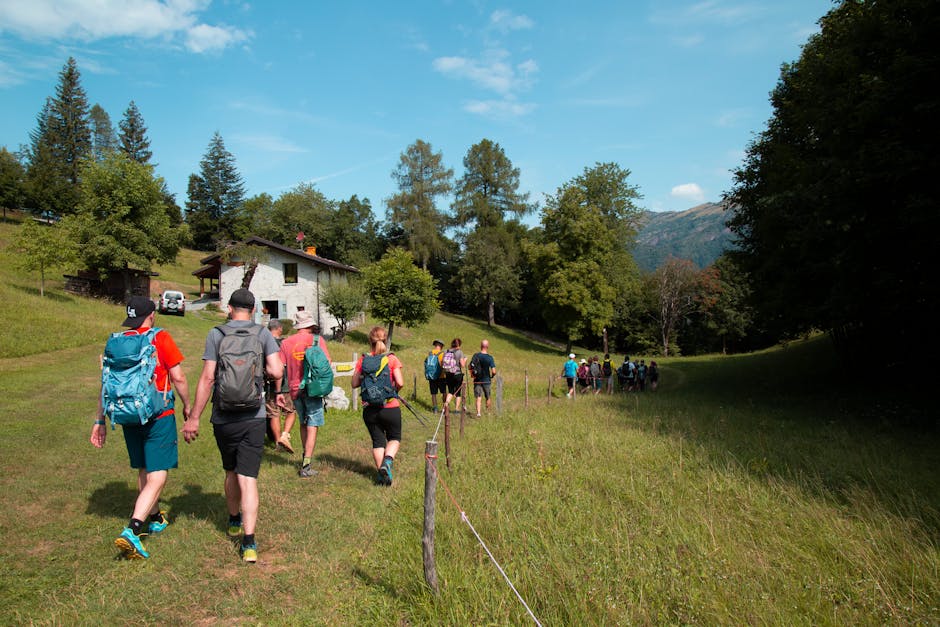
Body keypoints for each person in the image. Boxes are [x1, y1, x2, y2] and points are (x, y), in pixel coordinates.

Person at [184, 288, 283, 563]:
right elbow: (276, 371)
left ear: (230, 308)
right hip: (254, 415)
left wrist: (194, 418)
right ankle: (249, 543)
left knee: (230, 471)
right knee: (248, 477)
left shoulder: (217, 334)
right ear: (253, 310)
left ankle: (233, 519)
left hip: (223, 416)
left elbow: (207, 379)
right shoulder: (262, 334)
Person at [91, 295, 193, 560]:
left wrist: (100, 420)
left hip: (127, 414)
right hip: (158, 414)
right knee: (158, 475)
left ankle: (156, 517)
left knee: (144, 468)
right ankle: (133, 530)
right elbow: (178, 376)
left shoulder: (117, 341)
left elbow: (107, 382)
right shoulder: (160, 337)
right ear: (152, 315)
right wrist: (188, 406)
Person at [278, 310, 332, 478]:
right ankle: (307, 464)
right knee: (313, 424)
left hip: (295, 389)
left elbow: (280, 368)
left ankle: (304, 457)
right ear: (310, 324)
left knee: (303, 422)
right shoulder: (317, 340)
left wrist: (279, 391)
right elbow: (327, 363)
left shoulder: (286, 343)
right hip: (313, 388)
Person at [351, 326, 404, 486]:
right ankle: (387, 463)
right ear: (385, 339)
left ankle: (382, 477)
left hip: (370, 409)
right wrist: (393, 391)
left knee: (378, 441)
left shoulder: (363, 360)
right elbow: (400, 382)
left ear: (370, 341)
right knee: (394, 438)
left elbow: (354, 384)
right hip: (390, 407)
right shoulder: (391, 359)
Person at [266, 319, 296, 454]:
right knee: (290, 411)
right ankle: (285, 435)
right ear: (279, 329)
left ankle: (278, 441)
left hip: (270, 384)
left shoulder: (264, 344)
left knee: (273, 413)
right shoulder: (285, 344)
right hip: (286, 383)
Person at [469, 339, 496, 417]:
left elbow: (470, 366)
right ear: (487, 346)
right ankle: (488, 413)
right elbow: (494, 371)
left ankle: (478, 413)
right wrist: (492, 376)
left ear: (481, 346)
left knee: (478, 397)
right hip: (486, 380)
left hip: (477, 379)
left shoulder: (476, 355)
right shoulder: (490, 358)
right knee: (487, 396)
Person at [442, 338, 467, 412]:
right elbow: (462, 365)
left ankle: (446, 405)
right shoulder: (459, 352)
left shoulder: (446, 351)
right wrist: (465, 359)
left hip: (448, 373)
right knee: (458, 393)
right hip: (457, 374)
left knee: (450, 391)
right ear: (459, 344)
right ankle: (456, 409)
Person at [425, 339, 446, 413]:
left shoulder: (430, 353)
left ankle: (435, 408)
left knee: (433, 393)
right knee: (444, 392)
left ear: (435, 345)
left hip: (432, 376)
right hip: (441, 376)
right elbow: (443, 365)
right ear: (441, 346)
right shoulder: (442, 354)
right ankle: (444, 408)